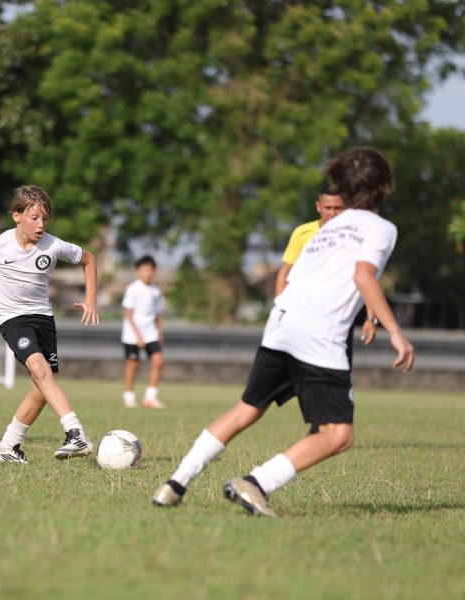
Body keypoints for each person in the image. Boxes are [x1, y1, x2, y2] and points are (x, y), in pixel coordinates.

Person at [151, 147, 414, 516]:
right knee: (338, 434)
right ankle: (256, 483)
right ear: (384, 186)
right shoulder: (382, 228)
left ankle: (174, 483)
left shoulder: (327, 227)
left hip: (281, 323)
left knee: (246, 410)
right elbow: (363, 276)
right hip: (319, 335)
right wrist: (396, 332)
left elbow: (298, 276)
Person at [0, 185, 100, 464]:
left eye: (45, 219)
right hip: (12, 318)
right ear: (16, 215)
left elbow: (89, 260)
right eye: (34, 218)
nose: (41, 225)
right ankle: (75, 432)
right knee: (39, 368)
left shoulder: (54, 244)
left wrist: (91, 300)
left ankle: (8, 446)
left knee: (43, 386)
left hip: (43, 318)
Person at [276, 182, 378, 346]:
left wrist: (371, 319)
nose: (332, 213)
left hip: (339, 317)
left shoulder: (356, 237)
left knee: (337, 368)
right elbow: (284, 273)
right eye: (328, 208)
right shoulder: (302, 233)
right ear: (318, 207)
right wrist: (279, 311)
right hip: (303, 314)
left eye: (338, 208)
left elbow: (366, 279)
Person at [121, 255, 165, 408]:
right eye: (144, 270)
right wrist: (138, 336)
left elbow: (157, 314)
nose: (148, 273)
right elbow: (128, 314)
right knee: (133, 365)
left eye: (150, 270)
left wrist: (160, 333)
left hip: (150, 332)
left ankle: (150, 397)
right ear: (138, 272)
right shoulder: (133, 289)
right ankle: (129, 397)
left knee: (158, 361)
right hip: (133, 334)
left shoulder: (155, 290)